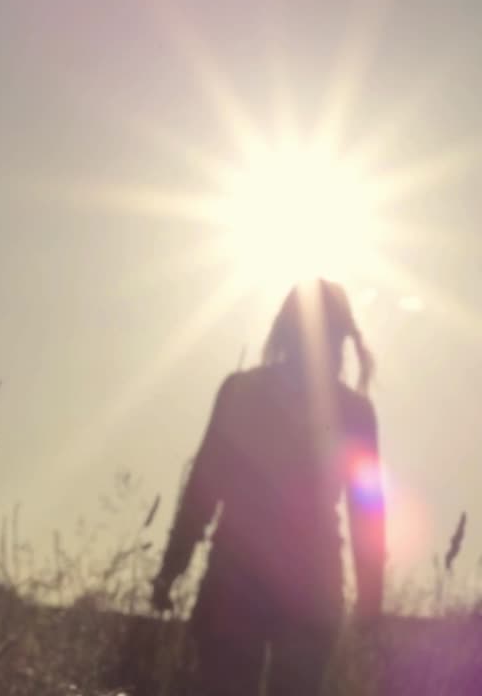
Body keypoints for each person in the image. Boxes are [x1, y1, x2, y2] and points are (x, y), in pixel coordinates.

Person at [150, 278, 386, 696]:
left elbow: (204, 487)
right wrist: (370, 601)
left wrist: (172, 568)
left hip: (235, 578)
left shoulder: (241, 391)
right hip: (311, 583)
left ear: (284, 328)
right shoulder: (354, 412)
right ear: (341, 337)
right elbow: (367, 512)